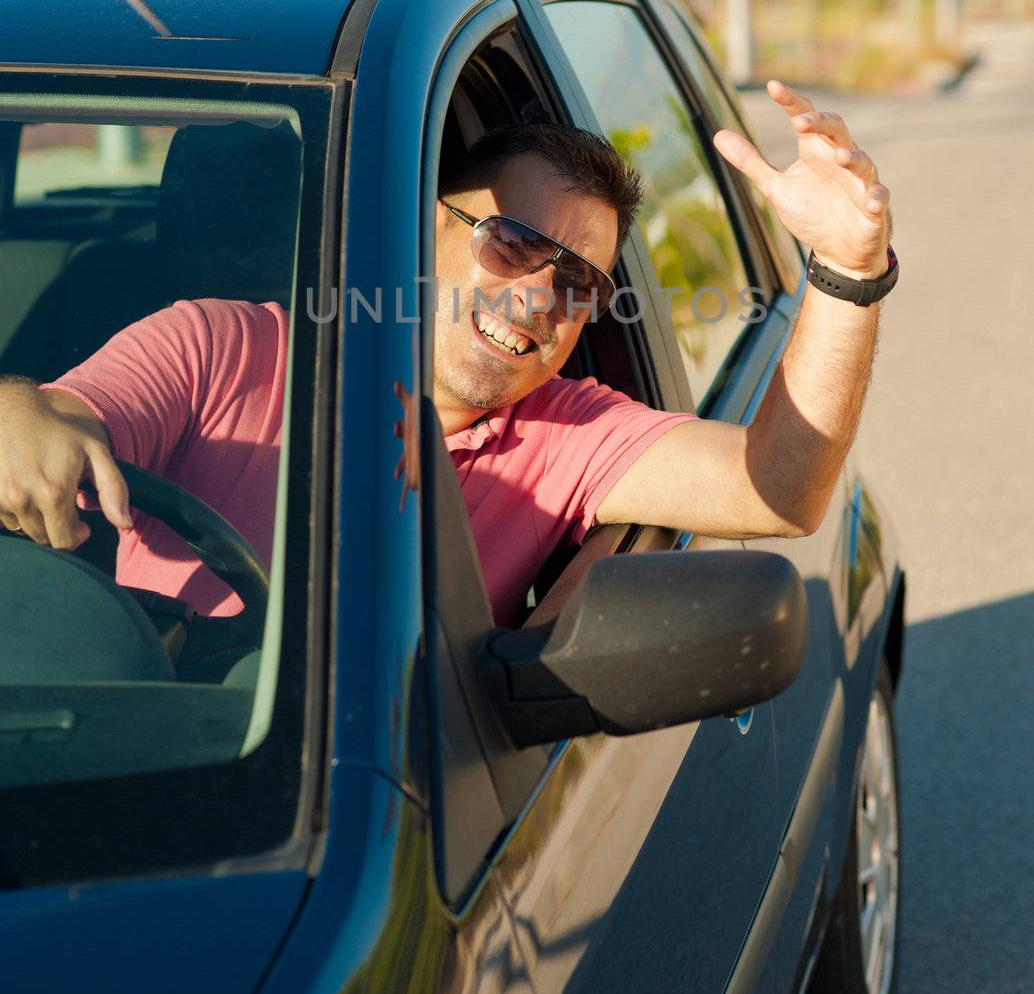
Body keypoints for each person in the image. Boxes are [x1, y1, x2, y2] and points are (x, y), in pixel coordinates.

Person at [0, 80, 895, 628]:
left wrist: (846, 273)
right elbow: (59, 416)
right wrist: (17, 410)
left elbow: (777, 487)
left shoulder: (565, 434)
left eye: (579, 281)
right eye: (510, 242)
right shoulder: (220, 345)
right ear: (419, 228)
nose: (539, 296)